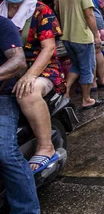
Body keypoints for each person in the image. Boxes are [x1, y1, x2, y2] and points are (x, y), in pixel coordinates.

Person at [0, 0, 65, 173]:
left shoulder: (40, 10)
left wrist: (30, 75)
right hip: (6, 69)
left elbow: (48, 49)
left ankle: (46, 146)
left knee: (27, 92)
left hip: (41, 69)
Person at [0, 16, 40, 213]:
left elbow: (18, 61)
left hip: (2, 98)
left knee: (5, 153)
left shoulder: (2, 24)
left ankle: (26, 209)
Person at [56, 0, 104, 110]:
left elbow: (57, 10)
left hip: (67, 37)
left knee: (76, 66)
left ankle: (66, 94)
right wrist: (96, 35)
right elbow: (89, 15)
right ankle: (87, 99)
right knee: (87, 69)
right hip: (82, 38)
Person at [85, 0, 104, 89]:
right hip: (98, 21)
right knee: (98, 52)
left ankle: (93, 82)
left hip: (92, 23)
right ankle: (102, 78)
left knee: (92, 53)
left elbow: (88, 14)